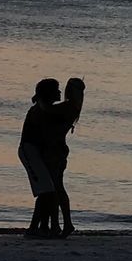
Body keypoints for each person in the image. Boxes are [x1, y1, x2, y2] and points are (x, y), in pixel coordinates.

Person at [43, 77, 85, 238]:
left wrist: (39, 98)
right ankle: (60, 224)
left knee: (56, 188)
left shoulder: (68, 106)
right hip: (59, 150)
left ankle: (64, 223)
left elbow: (48, 109)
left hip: (55, 151)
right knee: (57, 187)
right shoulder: (73, 107)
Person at [18, 79, 59, 238]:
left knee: (46, 190)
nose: (59, 93)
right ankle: (36, 227)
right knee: (46, 190)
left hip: (36, 152)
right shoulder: (41, 110)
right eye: (57, 90)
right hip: (30, 151)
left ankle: (40, 227)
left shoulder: (45, 109)